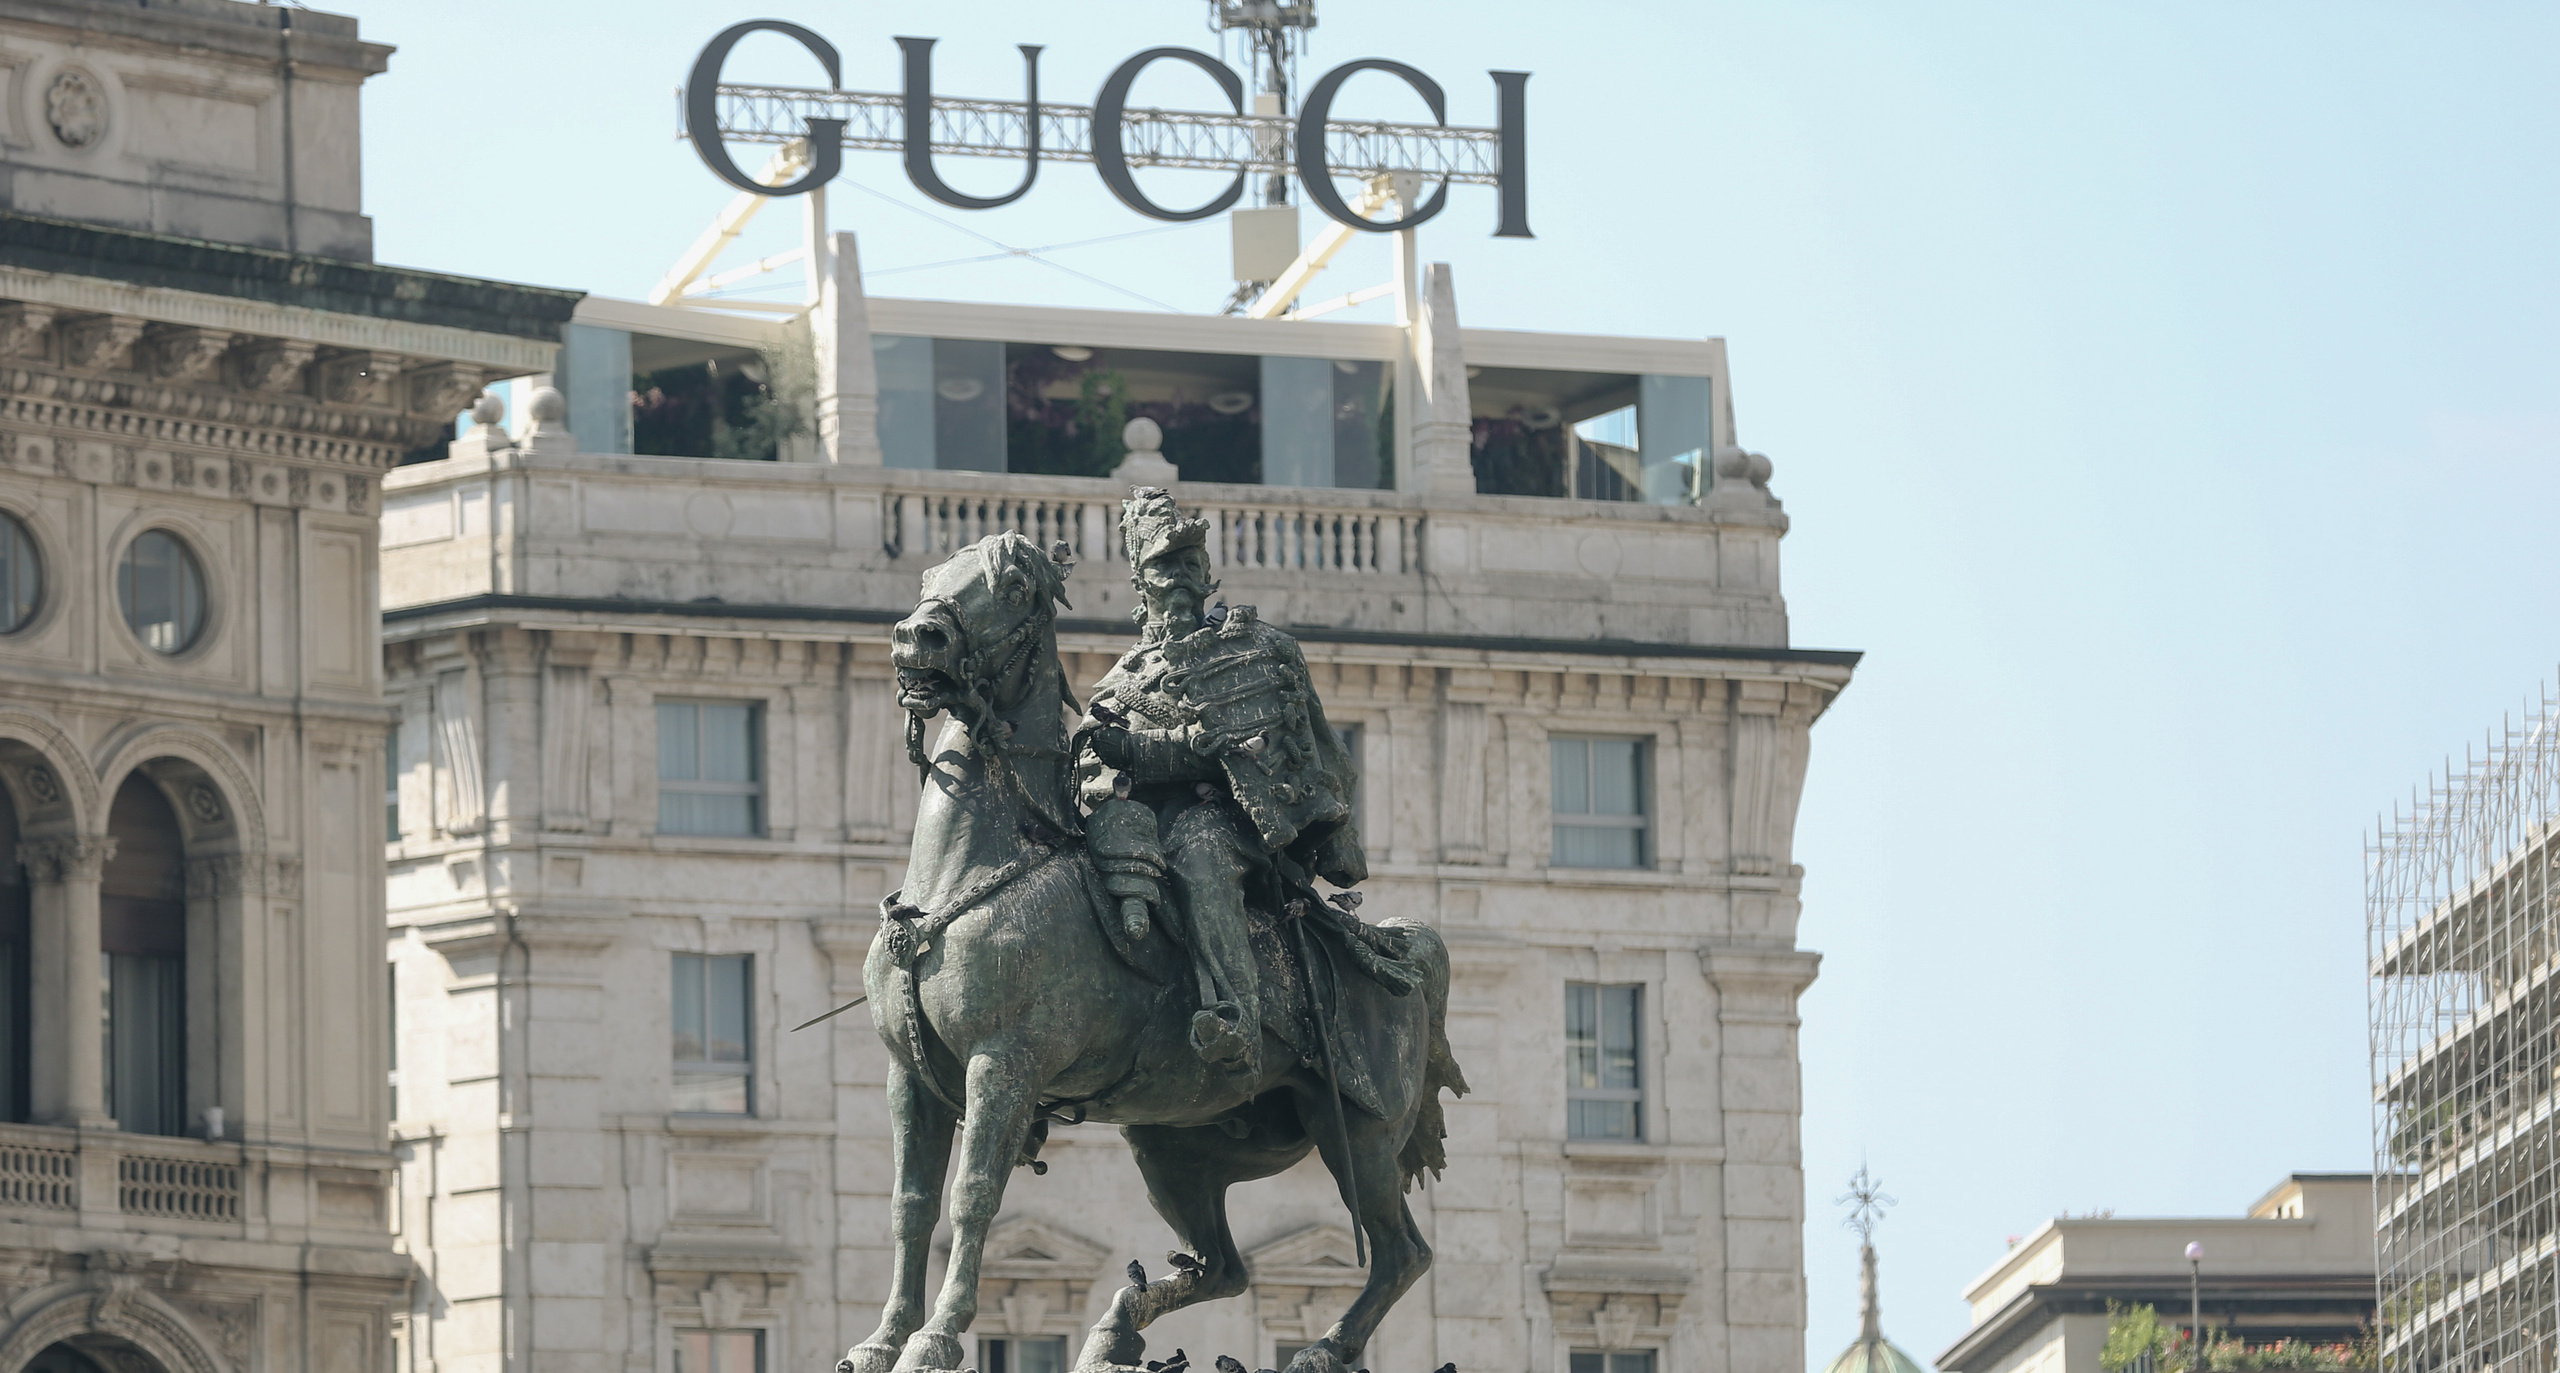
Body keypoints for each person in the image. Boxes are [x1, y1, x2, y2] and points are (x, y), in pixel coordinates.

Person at [1077, 488, 1366, 1079]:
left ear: (1208, 573)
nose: (1179, 577)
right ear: (1140, 579)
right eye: (1163, 565)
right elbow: (1088, 768)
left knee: (1199, 852)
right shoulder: (1120, 680)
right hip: (1135, 830)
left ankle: (1235, 1019)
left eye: (1190, 564)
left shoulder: (1261, 649)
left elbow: (1314, 753)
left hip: (1233, 825)